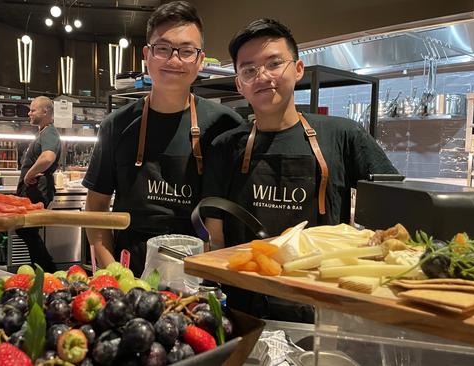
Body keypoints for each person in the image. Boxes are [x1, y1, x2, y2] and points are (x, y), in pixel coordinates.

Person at [202, 18, 399, 321]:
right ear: (240, 84)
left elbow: (395, 204)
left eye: (274, 63)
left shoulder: (344, 135)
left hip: (320, 305)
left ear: (297, 69)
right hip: (244, 305)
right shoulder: (226, 146)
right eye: (249, 69)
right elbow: (215, 234)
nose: (262, 76)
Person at [83, 1, 243, 276]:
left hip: (199, 277)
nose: (174, 60)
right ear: (147, 55)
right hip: (129, 273)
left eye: (186, 51)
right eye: (163, 48)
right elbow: (96, 207)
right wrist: (113, 273)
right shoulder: (116, 125)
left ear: (200, 60)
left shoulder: (226, 125)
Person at [15, 96, 61, 273]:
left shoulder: (49, 132)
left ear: (45, 111)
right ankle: (44, 270)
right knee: (26, 230)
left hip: (38, 190)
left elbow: (48, 157)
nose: (29, 113)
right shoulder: (43, 132)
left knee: (26, 230)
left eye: (33, 110)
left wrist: (30, 174)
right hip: (34, 190)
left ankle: (47, 270)